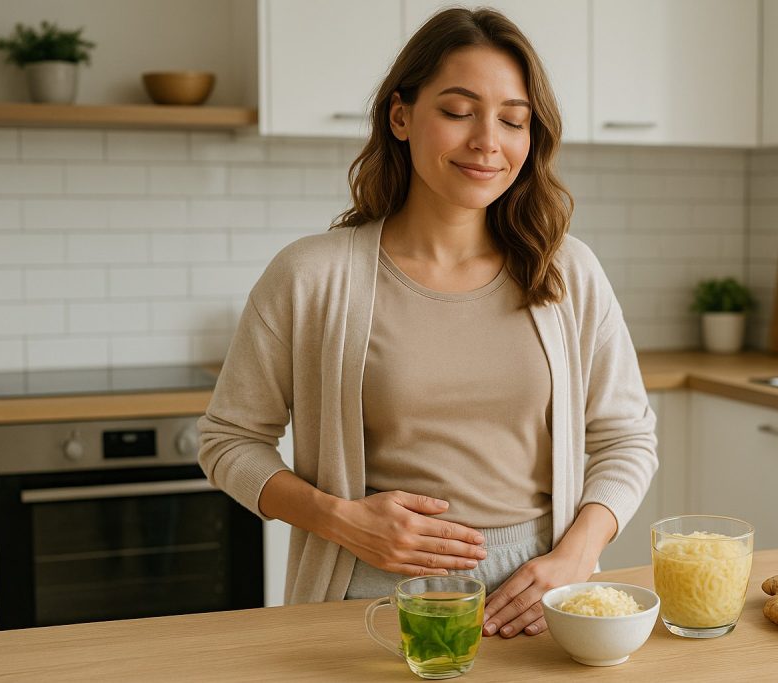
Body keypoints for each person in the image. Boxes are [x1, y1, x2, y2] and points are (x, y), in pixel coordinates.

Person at [197, 7, 657, 640]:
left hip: (538, 602)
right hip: (366, 603)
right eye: (458, 111)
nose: (487, 141)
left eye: (513, 120)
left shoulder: (566, 273)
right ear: (401, 115)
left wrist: (574, 558)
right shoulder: (311, 275)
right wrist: (338, 519)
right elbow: (227, 440)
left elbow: (626, 439)